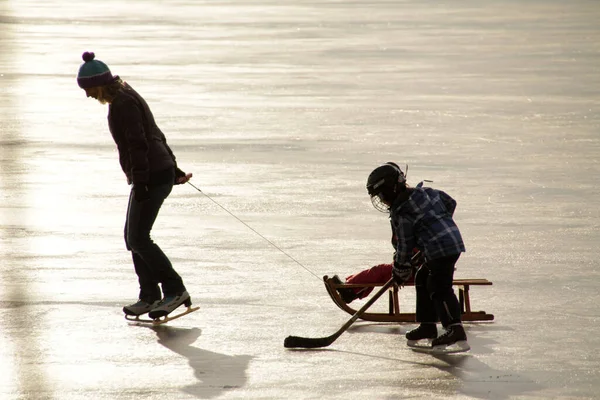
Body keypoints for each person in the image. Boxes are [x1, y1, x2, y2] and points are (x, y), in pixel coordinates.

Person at [76, 51, 194, 320]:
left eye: (89, 89)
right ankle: (149, 295)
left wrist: (142, 181)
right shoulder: (125, 95)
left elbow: (139, 143)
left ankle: (175, 290)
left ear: (101, 83)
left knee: (138, 237)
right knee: (133, 237)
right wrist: (173, 168)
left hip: (151, 177)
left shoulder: (123, 103)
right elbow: (155, 133)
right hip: (154, 173)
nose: (88, 95)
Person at [364, 162, 468, 350]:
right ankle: (427, 326)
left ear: (390, 190)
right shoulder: (426, 192)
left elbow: (404, 245)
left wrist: (400, 270)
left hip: (440, 249)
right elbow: (450, 202)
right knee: (422, 277)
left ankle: (455, 329)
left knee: (438, 286)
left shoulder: (402, 212)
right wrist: (438, 223)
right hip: (451, 241)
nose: (383, 201)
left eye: (381, 196)